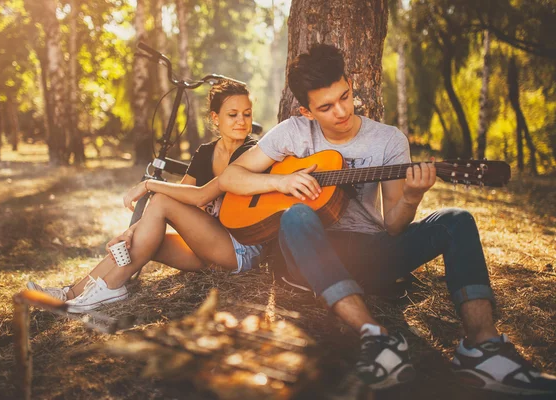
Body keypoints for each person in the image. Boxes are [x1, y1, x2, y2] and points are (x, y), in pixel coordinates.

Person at [218, 44, 556, 395]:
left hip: (369, 253)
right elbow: (230, 178)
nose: (341, 111)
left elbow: (394, 227)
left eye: (345, 97)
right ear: (306, 111)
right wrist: (281, 181)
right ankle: (376, 337)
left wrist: (411, 197)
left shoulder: (389, 139)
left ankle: (483, 349)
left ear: (350, 84)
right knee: (296, 215)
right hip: (308, 257)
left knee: (458, 220)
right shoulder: (293, 133)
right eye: (326, 107)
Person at [27, 80, 263, 313]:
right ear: (215, 118)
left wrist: (150, 185)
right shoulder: (205, 153)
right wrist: (131, 232)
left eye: (247, 114)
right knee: (138, 242)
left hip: (239, 251)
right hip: (206, 251)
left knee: (161, 198)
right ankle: (70, 294)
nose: (241, 121)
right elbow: (176, 201)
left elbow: (200, 197)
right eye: (233, 114)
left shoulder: (251, 152)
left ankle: (110, 287)